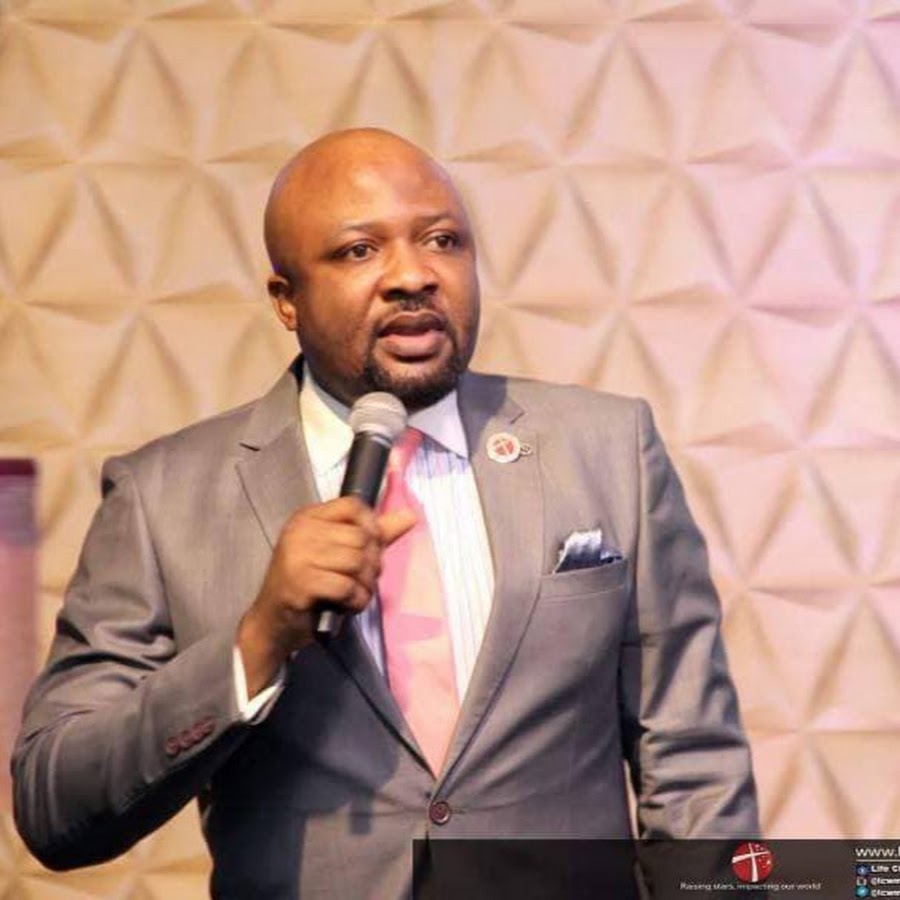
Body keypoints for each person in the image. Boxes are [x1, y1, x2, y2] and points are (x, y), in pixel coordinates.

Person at [12, 128, 758, 898]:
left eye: (442, 240)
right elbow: (54, 806)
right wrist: (258, 639)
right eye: (359, 251)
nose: (413, 275)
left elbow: (695, 762)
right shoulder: (162, 497)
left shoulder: (608, 448)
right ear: (286, 300)